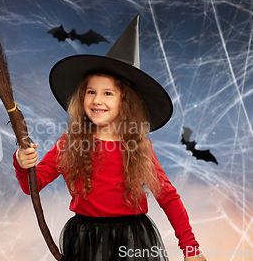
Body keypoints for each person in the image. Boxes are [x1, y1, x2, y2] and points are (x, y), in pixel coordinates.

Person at [13, 15, 206, 261]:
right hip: (85, 241)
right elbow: (33, 185)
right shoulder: (71, 142)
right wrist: (22, 162)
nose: (97, 100)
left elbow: (167, 196)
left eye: (108, 93)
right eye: (91, 92)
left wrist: (190, 248)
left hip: (132, 240)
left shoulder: (138, 145)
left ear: (125, 102)